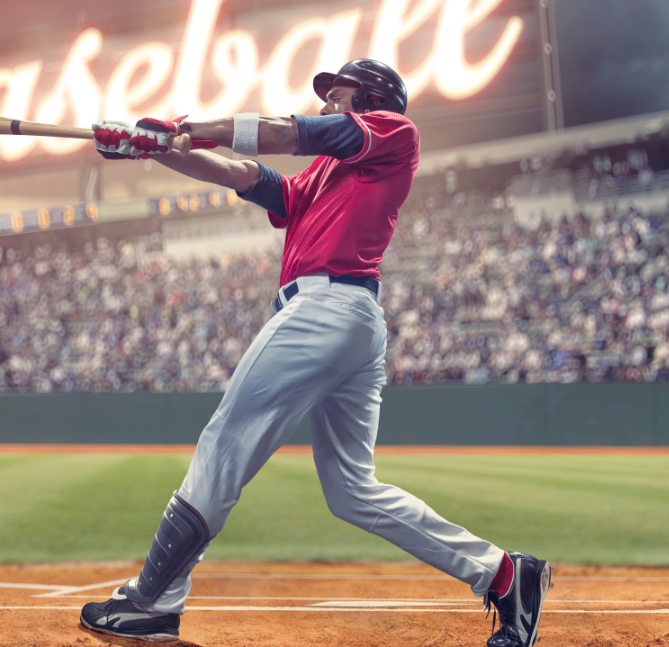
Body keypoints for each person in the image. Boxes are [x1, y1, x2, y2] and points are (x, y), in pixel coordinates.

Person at [78, 59, 552, 646]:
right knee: (353, 491)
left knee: (224, 445)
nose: (329, 103)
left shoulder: (391, 132)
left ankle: (153, 600)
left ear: (371, 98)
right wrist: (155, 149)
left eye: (338, 94)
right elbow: (243, 174)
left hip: (325, 310)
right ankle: (506, 574)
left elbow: (284, 133)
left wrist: (182, 125)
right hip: (348, 322)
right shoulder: (327, 175)